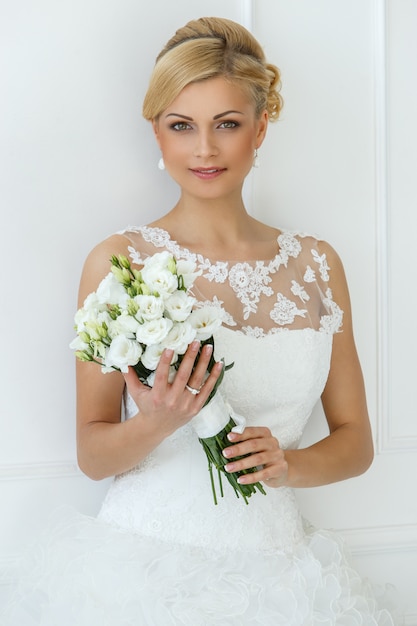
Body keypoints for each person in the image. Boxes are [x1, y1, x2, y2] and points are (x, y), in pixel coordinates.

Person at [2, 16, 397, 626]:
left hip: (279, 577)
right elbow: (92, 452)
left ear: (261, 128)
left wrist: (289, 465)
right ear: (157, 134)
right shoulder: (119, 261)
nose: (204, 149)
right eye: (181, 126)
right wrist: (157, 421)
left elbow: (356, 444)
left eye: (228, 125)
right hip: (140, 577)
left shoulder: (319, 265)